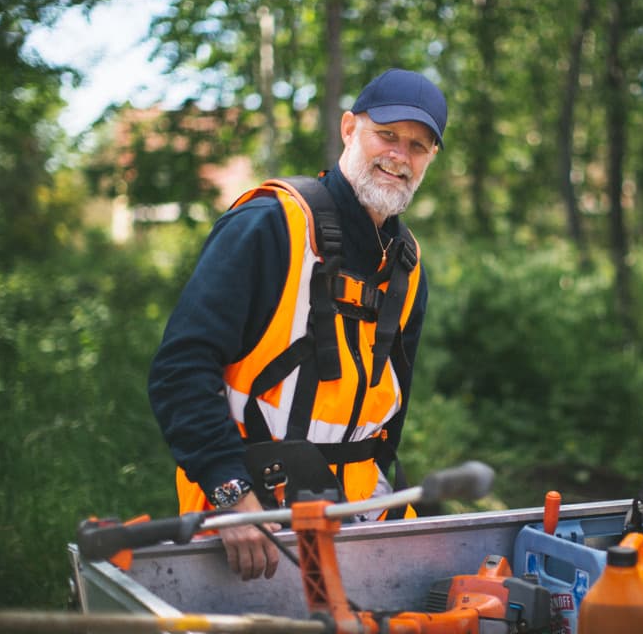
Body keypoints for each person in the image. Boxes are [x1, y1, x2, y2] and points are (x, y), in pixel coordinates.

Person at [148, 68, 447, 581]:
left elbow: (389, 416)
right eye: (388, 135)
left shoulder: (407, 263)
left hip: (356, 512)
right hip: (250, 512)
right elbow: (180, 370)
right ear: (350, 128)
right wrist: (231, 495)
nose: (401, 155)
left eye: (418, 146)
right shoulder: (269, 224)